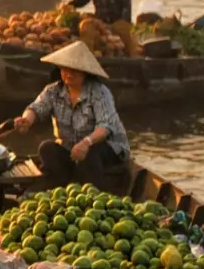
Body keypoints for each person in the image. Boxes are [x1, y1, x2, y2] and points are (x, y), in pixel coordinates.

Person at [12, 40, 130, 189]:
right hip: (70, 148)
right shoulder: (53, 90)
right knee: (47, 148)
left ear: (85, 72)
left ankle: (92, 195)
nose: (69, 74)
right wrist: (26, 120)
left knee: (91, 154)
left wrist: (86, 142)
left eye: (74, 70)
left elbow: (105, 127)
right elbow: (36, 108)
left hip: (105, 147)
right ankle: (60, 187)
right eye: (65, 69)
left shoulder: (99, 92)